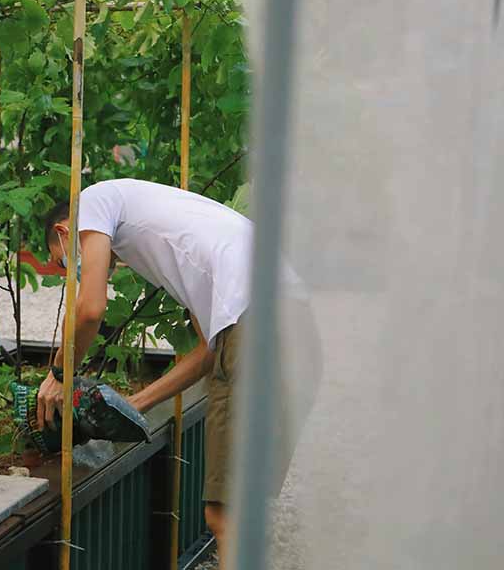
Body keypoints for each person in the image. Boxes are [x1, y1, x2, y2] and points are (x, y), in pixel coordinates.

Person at [38, 178, 318, 569]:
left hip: (256, 333)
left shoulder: (94, 200)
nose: (71, 269)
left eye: (64, 261)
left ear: (63, 232)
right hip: (298, 329)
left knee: (226, 516)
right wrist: (134, 404)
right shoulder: (180, 229)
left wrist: (58, 376)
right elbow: (207, 352)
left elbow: (90, 308)